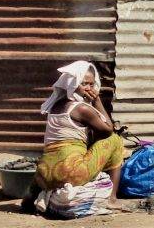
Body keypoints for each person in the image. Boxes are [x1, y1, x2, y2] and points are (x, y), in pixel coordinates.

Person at [23, 61, 125, 213]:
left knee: (52, 157)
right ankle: (112, 199)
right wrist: (97, 101)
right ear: (72, 83)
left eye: (92, 84)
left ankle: (30, 198)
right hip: (72, 173)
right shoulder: (82, 108)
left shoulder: (55, 107)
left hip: (44, 177)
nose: (89, 88)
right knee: (115, 140)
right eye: (84, 83)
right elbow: (108, 130)